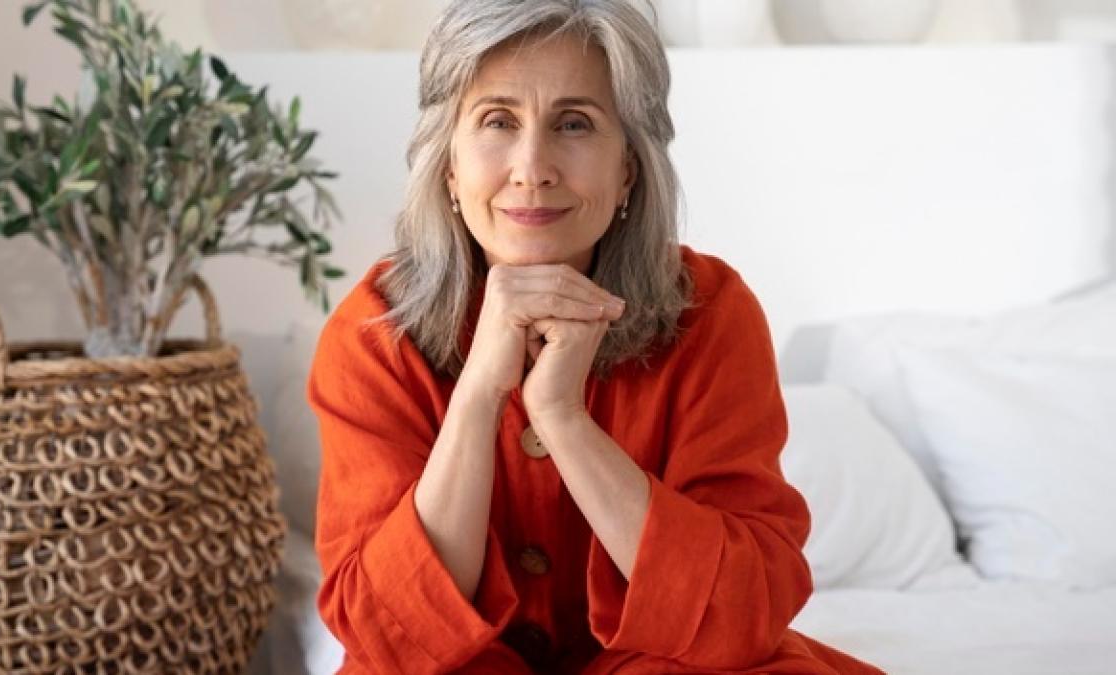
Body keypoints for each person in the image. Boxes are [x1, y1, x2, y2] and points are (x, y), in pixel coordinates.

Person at [307, 1, 884, 672]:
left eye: (574, 123)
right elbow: (387, 632)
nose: (532, 166)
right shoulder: (375, 332)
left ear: (629, 171)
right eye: (498, 121)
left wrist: (562, 417)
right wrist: (479, 395)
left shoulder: (712, 312)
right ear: (449, 168)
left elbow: (742, 608)